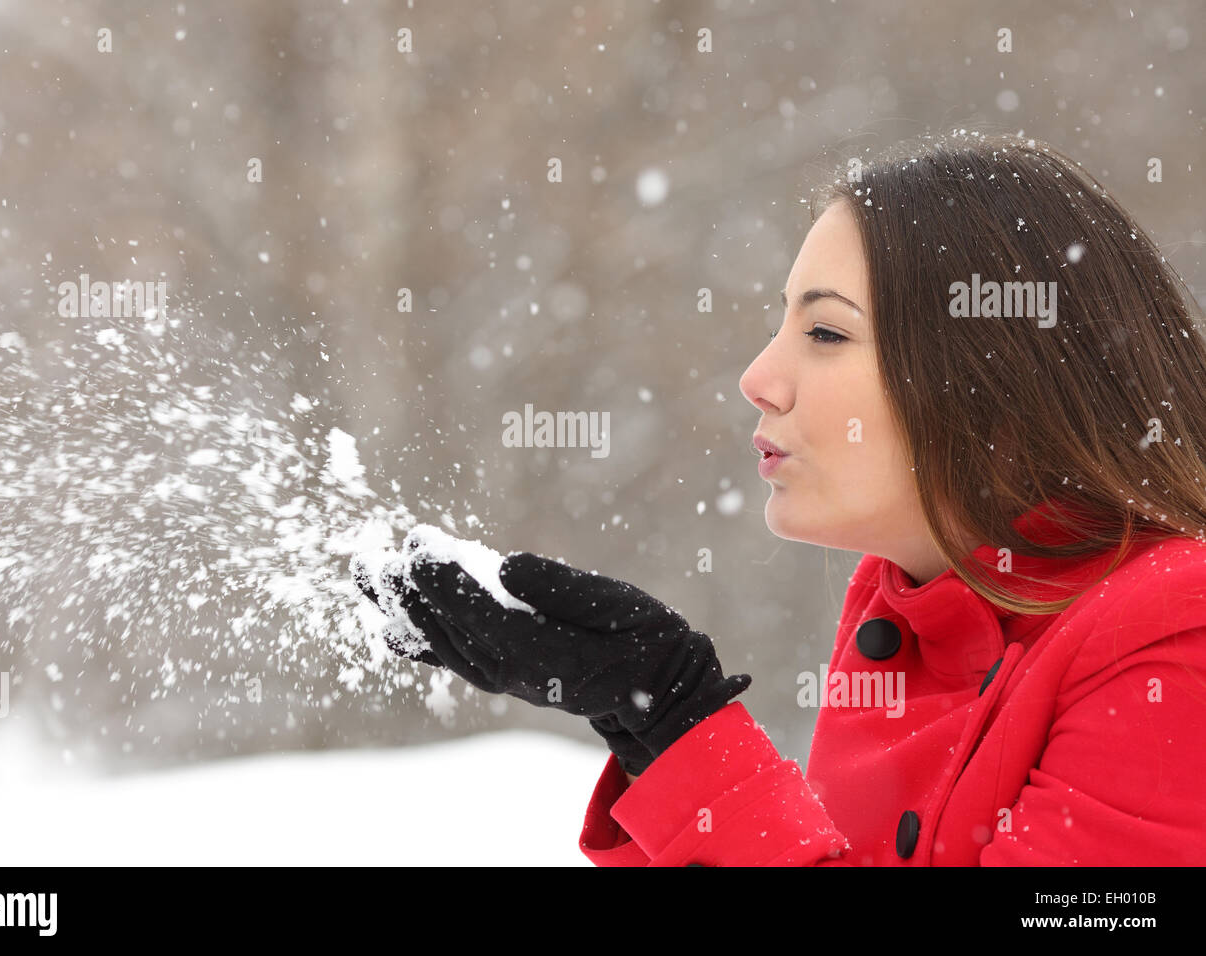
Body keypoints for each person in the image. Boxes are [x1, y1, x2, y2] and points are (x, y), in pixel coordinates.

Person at [359, 131, 1206, 865]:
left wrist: (689, 728)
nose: (759, 379)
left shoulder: (1174, 635)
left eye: (827, 333)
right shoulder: (901, 611)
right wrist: (651, 718)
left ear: (996, 376)